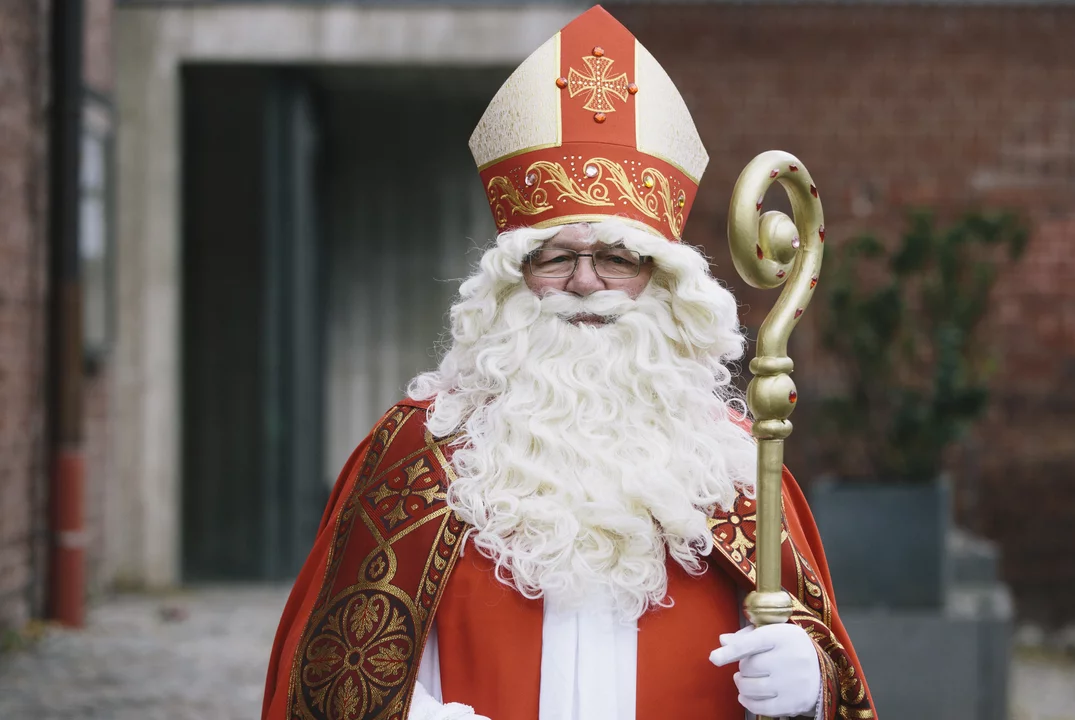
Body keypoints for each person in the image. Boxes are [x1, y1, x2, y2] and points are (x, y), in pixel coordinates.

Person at [261, 6, 876, 720]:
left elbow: (825, 657)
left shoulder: (735, 468)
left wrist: (813, 680)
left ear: (664, 283)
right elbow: (332, 674)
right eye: (554, 258)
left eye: (618, 258)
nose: (586, 283)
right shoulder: (420, 451)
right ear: (510, 281)